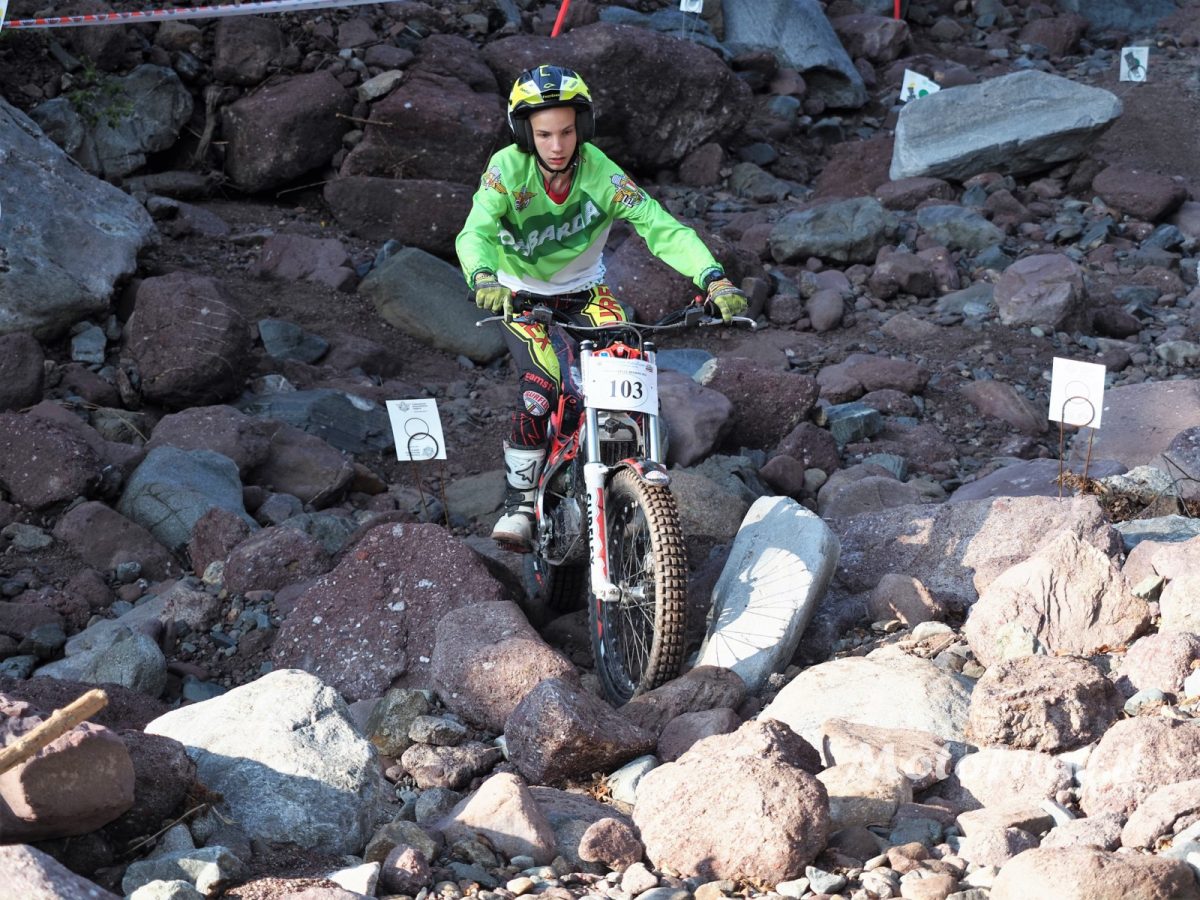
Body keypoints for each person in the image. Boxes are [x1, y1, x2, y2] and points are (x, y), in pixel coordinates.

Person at [455, 64, 747, 550]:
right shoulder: (506, 171)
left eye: (567, 132)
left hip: (587, 292)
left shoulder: (601, 173)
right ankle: (520, 504)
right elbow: (476, 231)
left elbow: (659, 226)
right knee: (542, 388)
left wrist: (713, 278)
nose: (557, 145)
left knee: (628, 368)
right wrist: (483, 276)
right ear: (524, 133)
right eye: (544, 134)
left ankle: (625, 482)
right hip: (518, 294)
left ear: (582, 128)